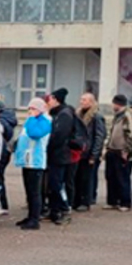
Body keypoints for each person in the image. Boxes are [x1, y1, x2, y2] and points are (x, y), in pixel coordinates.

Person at [14, 98, 52, 230]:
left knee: (35, 192)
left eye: (33, 108)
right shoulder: (33, 121)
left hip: (36, 161)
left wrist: (32, 119)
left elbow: (34, 134)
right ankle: (30, 216)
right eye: (29, 108)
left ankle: (35, 219)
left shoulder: (45, 122)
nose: (30, 111)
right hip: (27, 161)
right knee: (29, 192)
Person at [105, 94, 132, 212]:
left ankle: (125, 202)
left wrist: (126, 150)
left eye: (113, 103)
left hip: (122, 151)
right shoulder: (117, 116)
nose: (112, 106)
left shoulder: (129, 115)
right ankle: (112, 201)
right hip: (113, 150)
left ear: (117, 104)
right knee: (111, 177)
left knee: (122, 177)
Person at [45, 89, 78, 225]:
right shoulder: (58, 113)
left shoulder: (65, 114)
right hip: (56, 154)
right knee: (53, 184)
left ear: (55, 99)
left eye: (50, 100)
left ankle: (64, 209)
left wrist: (48, 146)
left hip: (60, 155)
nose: (48, 102)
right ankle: (54, 211)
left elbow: (59, 136)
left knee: (57, 184)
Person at [74, 93, 106, 212]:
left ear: (91, 102)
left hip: (89, 153)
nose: (81, 102)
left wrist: (94, 154)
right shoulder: (78, 114)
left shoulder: (96, 117)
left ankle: (85, 201)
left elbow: (99, 136)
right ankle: (76, 200)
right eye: (81, 99)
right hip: (79, 152)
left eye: (85, 100)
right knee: (77, 178)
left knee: (87, 179)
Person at [0, 101, 17, 213]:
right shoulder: (9, 119)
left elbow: (5, 134)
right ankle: (3, 204)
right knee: (0, 178)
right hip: (6, 151)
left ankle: (1, 204)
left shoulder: (1, 121)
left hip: (0, 152)